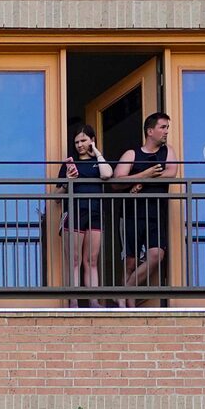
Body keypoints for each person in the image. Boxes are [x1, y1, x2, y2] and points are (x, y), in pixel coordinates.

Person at [113, 111, 175, 296]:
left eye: (167, 128)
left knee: (157, 255)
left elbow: (171, 173)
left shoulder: (167, 151)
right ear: (150, 131)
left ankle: (124, 292)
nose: (166, 132)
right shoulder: (132, 153)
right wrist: (143, 175)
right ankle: (127, 304)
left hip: (156, 213)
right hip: (132, 213)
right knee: (130, 261)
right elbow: (116, 181)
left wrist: (143, 182)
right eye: (162, 127)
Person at [59, 128, 110, 300]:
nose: (79, 145)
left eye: (83, 140)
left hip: (95, 212)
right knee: (74, 260)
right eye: (76, 142)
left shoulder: (98, 162)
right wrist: (68, 181)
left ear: (92, 140)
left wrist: (96, 152)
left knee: (92, 260)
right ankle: (73, 302)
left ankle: (93, 301)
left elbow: (107, 174)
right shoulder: (69, 164)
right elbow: (56, 197)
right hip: (74, 212)